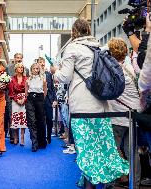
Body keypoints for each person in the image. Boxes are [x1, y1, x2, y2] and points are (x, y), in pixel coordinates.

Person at [54, 18, 129, 188]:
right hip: (102, 106)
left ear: (74, 32)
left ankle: (91, 185)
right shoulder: (98, 47)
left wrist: (55, 72)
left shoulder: (73, 48)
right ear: (88, 30)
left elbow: (64, 77)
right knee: (101, 149)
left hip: (82, 107)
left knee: (86, 151)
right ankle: (98, 181)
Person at [108, 38, 142, 188]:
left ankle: (111, 181)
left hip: (119, 116)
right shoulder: (129, 65)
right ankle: (134, 183)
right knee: (132, 151)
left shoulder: (115, 70)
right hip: (134, 114)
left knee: (113, 150)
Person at [5, 53, 29, 144]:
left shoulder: (26, 70)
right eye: (17, 58)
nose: (18, 59)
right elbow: (7, 84)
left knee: (22, 117)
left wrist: (24, 98)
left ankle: (22, 138)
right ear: (14, 58)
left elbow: (28, 85)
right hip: (12, 97)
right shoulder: (8, 68)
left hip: (23, 98)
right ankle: (13, 137)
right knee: (12, 117)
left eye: (20, 58)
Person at [25, 63, 47, 152]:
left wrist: (40, 100)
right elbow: (26, 93)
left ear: (39, 70)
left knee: (40, 121)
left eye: (37, 68)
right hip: (30, 100)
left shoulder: (43, 80)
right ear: (31, 69)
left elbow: (45, 92)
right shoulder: (28, 80)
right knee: (31, 121)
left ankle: (41, 142)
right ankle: (34, 143)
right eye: (34, 68)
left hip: (40, 99)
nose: (36, 70)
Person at [37, 57, 57, 144]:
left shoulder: (48, 74)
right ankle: (41, 137)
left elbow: (52, 88)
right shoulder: (35, 74)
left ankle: (48, 136)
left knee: (49, 119)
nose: (42, 64)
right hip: (39, 100)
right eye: (40, 62)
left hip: (48, 100)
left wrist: (55, 99)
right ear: (37, 64)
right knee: (40, 119)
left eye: (43, 62)